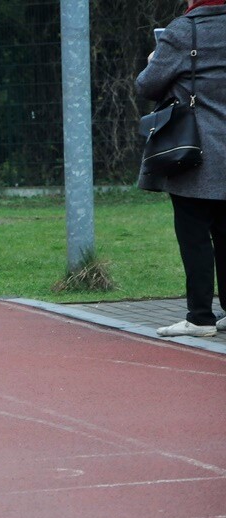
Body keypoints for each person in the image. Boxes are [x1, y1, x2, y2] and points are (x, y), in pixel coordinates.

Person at [137, 0, 226, 338]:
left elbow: (147, 86)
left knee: (195, 236)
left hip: (196, 152)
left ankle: (200, 317)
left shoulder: (182, 31)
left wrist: (153, 60)